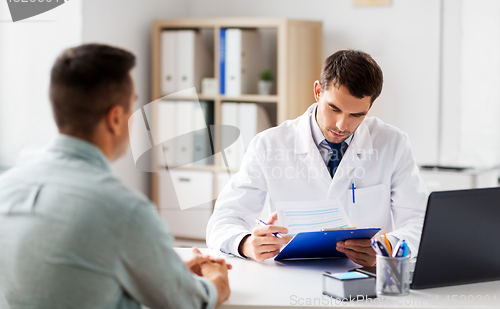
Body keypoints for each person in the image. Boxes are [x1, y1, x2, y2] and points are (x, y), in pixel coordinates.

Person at [0, 44, 230, 309]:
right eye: (133, 106)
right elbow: (187, 303)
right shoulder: (125, 210)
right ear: (116, 118)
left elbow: (69, 275)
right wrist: (218, 282)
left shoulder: (6, 188)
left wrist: (167, 269)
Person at [207, 50, 428, 266]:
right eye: (334, 108)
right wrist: (245, 244)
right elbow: (223, 220)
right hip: (290, 279)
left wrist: (385, 249)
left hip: (363, 278)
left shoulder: (393, 143)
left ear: (370, 107)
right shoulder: (268, 145)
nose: (342, 125)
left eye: (356, 115)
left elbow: (420, 222)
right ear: (318, 91)